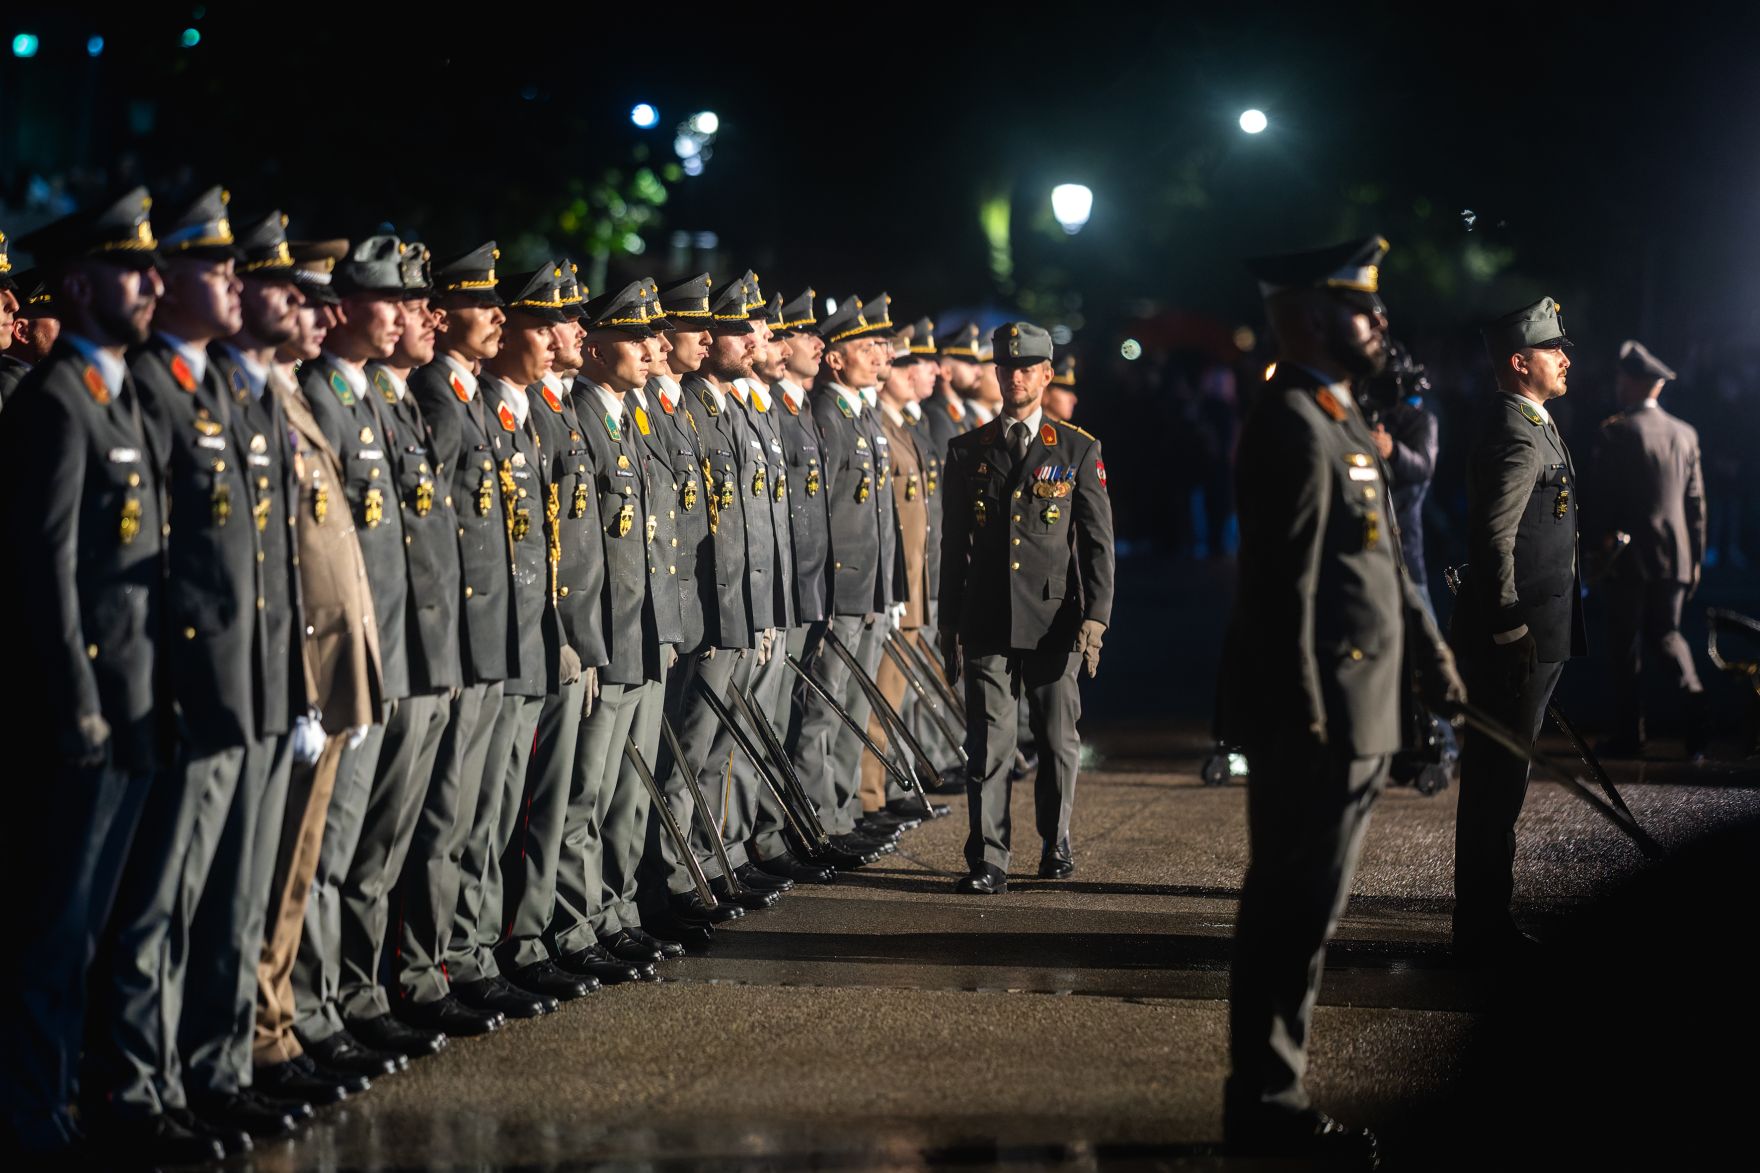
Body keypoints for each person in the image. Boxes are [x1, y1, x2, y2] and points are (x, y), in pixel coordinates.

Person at [1216, 236, 1461, 1162]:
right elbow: (1285, 591)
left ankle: (1276, 1095)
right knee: (1288, 913)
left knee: (1309, 917)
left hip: (1359, 709)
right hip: (1314, 718)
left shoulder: (1339, 413)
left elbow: (1385, 559)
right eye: (1364, 308)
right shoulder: (1292, 420)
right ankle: (1268, 1105)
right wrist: (1308, 716)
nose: (1381, 322)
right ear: (1315, 317)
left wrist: (1433, 657)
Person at [0, 188, 184, 1163]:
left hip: (139, 703)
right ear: (76, 284)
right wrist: (76, 707)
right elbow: (47, 573)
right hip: (87, 718)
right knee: (53, 932)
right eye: (130, 268)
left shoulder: (120, 391)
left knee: (100, 925)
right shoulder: (57, 403)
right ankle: (35, 1120)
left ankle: (67, 1101)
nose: (152, 283)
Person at [939, 321, 1116, 893]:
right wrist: (948, 621)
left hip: (1053, 619)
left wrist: (1096, 617)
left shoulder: (1076, 448)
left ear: (1045, 374)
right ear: (996, 375)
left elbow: (1096, 542)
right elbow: (952, 545)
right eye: (1007, 368)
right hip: (988, 615)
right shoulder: (968, 450)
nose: (1015, 377)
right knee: (989, 741)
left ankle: (1055, 843)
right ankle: (989, 857)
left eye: (1027, 368)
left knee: (1058, 741)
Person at [1450, 295, 1586, 960]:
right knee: (1495, 786)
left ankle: (1484, 919)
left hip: (1532, 633)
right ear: (1518, 361)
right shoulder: (1515, 429)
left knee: (1504, 783)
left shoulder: (1531, 420)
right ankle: (1482, 926)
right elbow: (1491, 538)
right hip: (1516, 639)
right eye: (1551, 348)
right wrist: (1508, 628)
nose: (1565, 357)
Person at [1590, 340, 1708, 759]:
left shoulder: (1616, 431)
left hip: (1627, 554)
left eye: (1623, 377)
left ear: (1635, 382)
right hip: (1674, 555)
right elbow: (1696, 505)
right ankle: (1695, 717)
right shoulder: (1685, 433)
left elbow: (1603, 497)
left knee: (1625, 646)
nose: (1618, 384)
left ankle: (1630, 734)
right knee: (1669, 636)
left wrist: (1595, 545)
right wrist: (1694, 559)